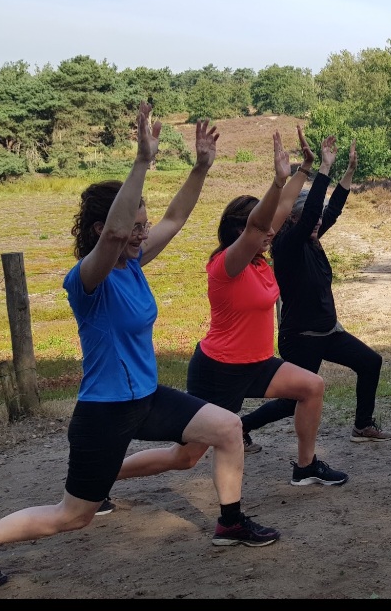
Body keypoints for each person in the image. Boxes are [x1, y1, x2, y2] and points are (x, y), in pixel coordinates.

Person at [0, 104, 278, 591]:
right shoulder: (89, 278)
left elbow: (176, 216)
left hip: (146, 396)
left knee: (227, 428)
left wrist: (201, 167)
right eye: (133, 225)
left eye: (143, 224)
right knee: (72, 516)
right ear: (103, 230)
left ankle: (230, 522)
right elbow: (120, 231)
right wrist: (141, 162)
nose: (142, 231)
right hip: (104, 411)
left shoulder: (133, 264)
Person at [114, 125, 348, 489]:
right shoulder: (228, 264)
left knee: (312, 386)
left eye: (271, 228)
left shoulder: (258, 260)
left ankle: (305, 466)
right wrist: (275, 182)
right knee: (186, 458)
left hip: (256, 364)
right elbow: (259, 224)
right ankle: (101, 476)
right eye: (260, 229)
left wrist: (305, 169)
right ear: (239, 231)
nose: (270, 232)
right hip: (219, 372)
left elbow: (280, 211)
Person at [240, 136, 391, 453]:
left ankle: (363, 425)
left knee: (370, 363)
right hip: (302, 337)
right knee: (292, 401)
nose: (319, 222)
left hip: (327, 331)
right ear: (293, 219)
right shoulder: (288, 247)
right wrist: (322, 167)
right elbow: (313, 214)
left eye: (318, 219)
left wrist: (347, 172)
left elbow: (331, 211)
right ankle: (241, 426)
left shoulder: (310, 238)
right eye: (311, 218)